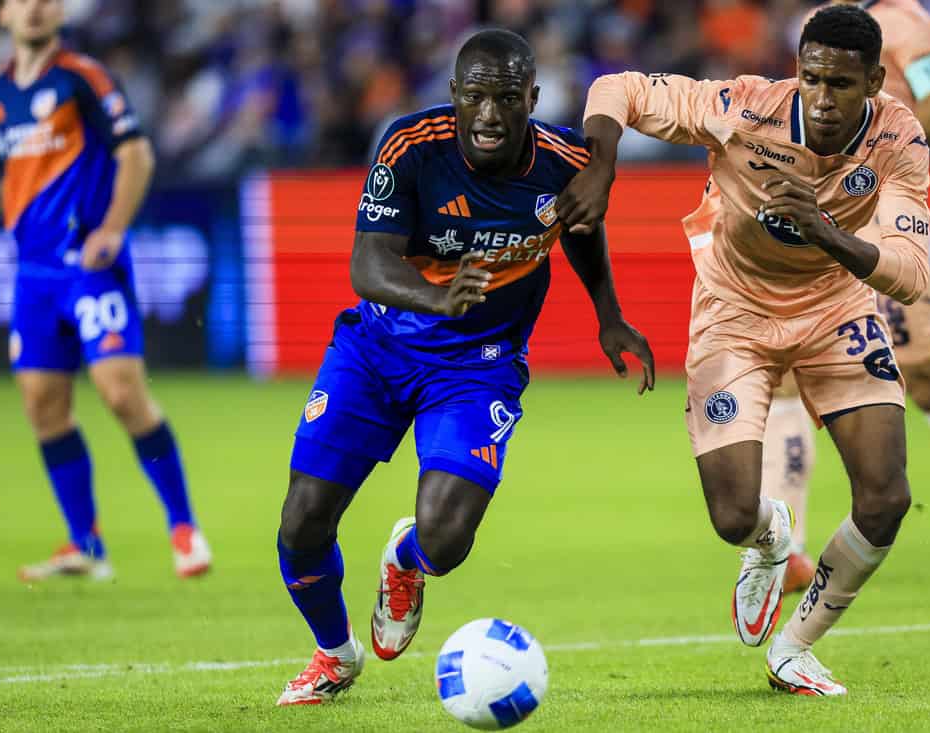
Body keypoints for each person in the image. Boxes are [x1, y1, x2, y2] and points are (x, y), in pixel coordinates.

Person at [274, 29, 654, 706]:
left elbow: (583, 232)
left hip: (477, 366)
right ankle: (334, 654)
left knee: (445, 540)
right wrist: (437, 296)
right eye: (474, 96)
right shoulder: (410, 147)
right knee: (302, 522)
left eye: (506, 98)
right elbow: (368, 265)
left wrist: (609, 315)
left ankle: (407, 560)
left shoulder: (564, 162)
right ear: (453, 95)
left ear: (530, 100)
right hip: (378, 349)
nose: (488, 113)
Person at [559, 5, 929, 695]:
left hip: (834, 310)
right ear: (798, 71)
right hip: (734, 311)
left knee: (886, 496)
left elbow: (910, 273)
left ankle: (795, 647)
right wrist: (602, 161)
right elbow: (618, 87)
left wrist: (826, 232)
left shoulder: (898, 138)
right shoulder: (744, 108)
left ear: (875, 81)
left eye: (842, 85)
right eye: (812, 78)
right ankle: (769, 534)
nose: (823, 97)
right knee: (732, 514)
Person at [0, 0, 210, 582]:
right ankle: (86, 545)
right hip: (33, 275)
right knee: (43, 406)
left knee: (121, 394)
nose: (35, 9)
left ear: (59, 11)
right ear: (3, 14)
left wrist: (113, 228)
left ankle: (184, 528)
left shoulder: (83, 78)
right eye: (23, 1)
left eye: (46, 0)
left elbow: (135, 152)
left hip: (89, 265)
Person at [763, 0, 930, 604]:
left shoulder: (907, 23)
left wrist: (871, 154)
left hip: (882, 223)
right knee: (784, 372)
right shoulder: (819, 22)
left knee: (923, 376)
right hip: (819, 214)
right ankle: (790, 549)